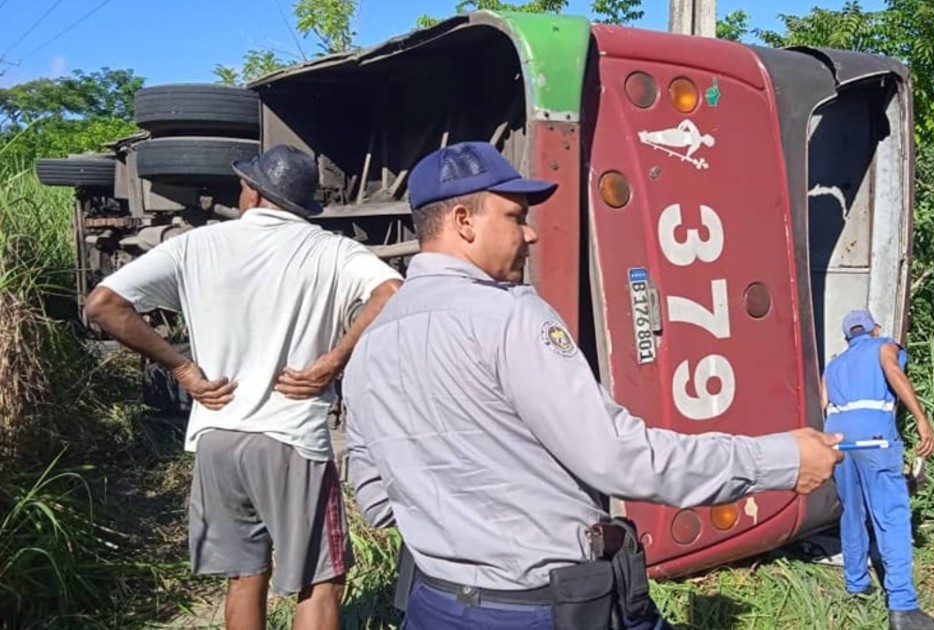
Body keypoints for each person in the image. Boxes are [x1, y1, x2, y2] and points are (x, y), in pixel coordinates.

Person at [341, 140, 846, 630]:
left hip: (435, 603)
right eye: (515, 217)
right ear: (463, 222)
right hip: (543, 607)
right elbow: (620, 459)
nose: (531, 234)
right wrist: (782, 460)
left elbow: (378, 501)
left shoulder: (369, 345)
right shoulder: (508, 317)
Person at [84, 143, 404, 630]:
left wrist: (183, 370)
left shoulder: (197, 245)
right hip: (291, 437)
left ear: (252, 192)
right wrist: (333, 362)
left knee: (243, 574)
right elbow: (392, 291)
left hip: (217, 435)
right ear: (301, 204)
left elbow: (104, 304)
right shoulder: (331, 250)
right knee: (319, 581)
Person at [820, 310, 934, 630]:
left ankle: (857, 585)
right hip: (876, 441)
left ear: (848, 337)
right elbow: (893, 370)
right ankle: (904, 608)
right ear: (875, 329)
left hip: (839, 442)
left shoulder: (833, 365)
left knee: (852, 513)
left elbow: (823, 404)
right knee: (891, 516)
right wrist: (921, 418)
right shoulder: (884, 346)